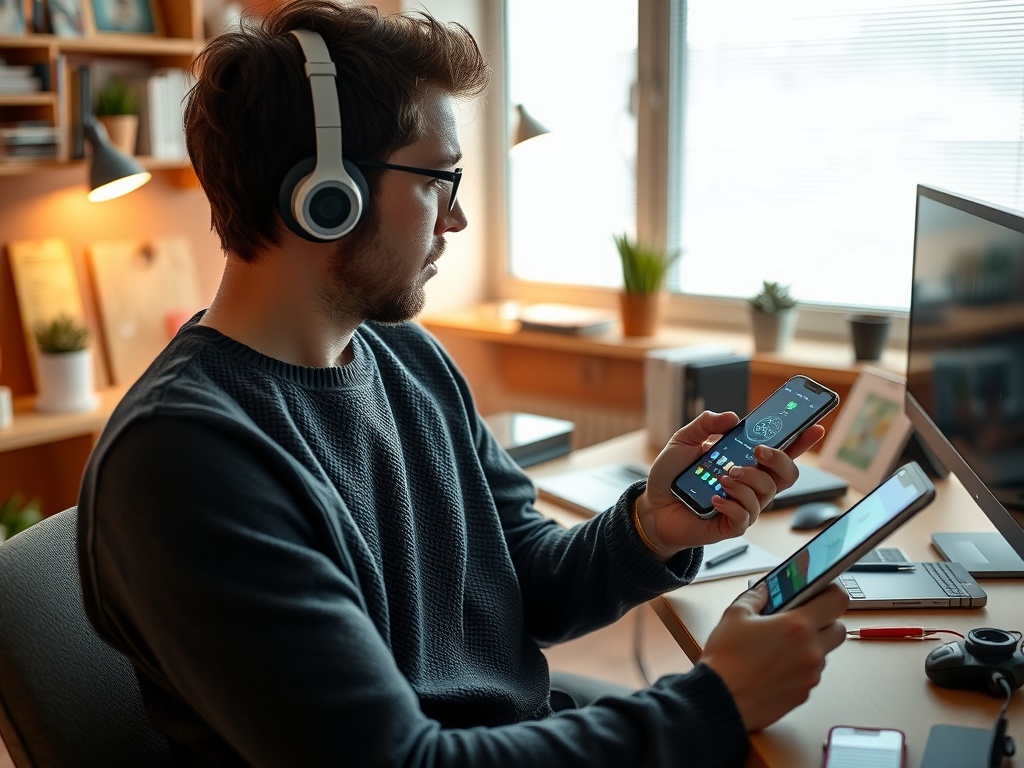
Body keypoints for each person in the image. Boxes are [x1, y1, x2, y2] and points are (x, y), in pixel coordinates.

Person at [76, 1, 849, 765]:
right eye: (438, 180)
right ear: (325, 194)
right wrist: (717, 699)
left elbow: (523, 583)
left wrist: (652, 526)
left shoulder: (408, 358)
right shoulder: (186, 459)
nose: (457, 220)